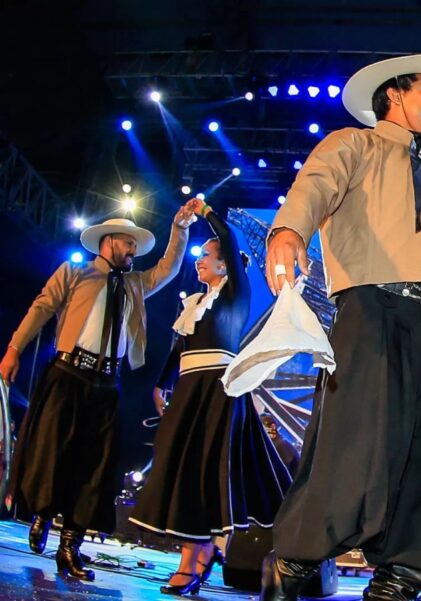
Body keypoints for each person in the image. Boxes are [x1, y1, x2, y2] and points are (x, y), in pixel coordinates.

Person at [257, 33, 421, 601]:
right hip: (370, 310)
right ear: (393, 94)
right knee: (356, 443)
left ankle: (400, 577)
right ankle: (293, 565)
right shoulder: (353, 144)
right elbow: (314, 186)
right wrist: (286, 232)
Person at [0, 204, 194, 580]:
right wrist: (13, 349)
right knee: (52, 452)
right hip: (68, 373)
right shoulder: (75, 272)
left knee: (95, 465)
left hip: (107, 383)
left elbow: (168, 268)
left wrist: (180, 228)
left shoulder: (136, 283)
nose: (132, 250)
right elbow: (41, 309)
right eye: (127, 243)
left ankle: (70, 546)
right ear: (108, 243)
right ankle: (41, 515)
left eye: (134, 244)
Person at [130, 199, 293, 596]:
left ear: (225, 265)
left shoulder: (235, 293)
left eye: (206, 256)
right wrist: (160, 384)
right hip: (189, 390)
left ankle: (194, 560)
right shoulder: (195, 304)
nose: (199, 262)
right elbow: (178, 347)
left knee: (206, 472)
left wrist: (204, 213)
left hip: (219, 391)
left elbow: (229, 235)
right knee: (182, 468)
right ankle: (200, 554)